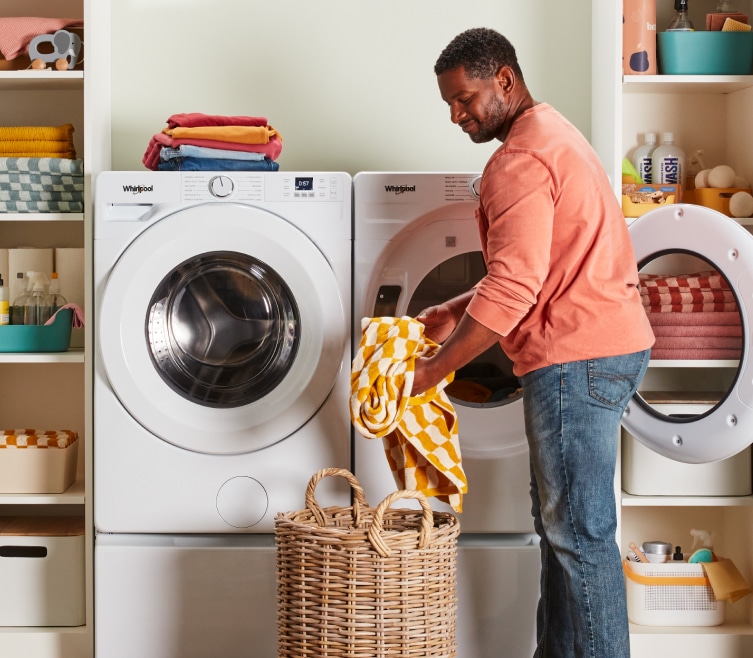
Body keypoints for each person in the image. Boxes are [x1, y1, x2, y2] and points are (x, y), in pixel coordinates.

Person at [412, 27, 655, 658]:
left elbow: (516, 288)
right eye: (449, 105)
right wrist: (453, 307)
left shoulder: (517, 161)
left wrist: (433, 370)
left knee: (579, 536)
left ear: (505, 80)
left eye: (464, 99)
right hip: (603, 345)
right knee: (564, 533)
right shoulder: (553, 133)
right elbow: (542, 266)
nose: (457, 115)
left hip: (577, 357)